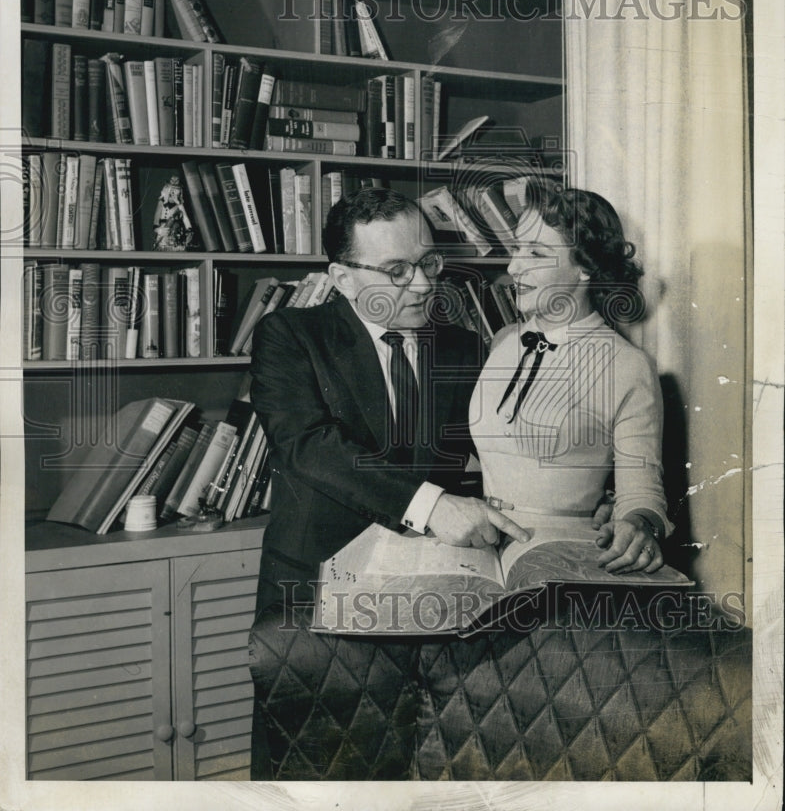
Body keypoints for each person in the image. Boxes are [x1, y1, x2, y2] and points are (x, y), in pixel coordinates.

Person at [247, 187, 529, 780]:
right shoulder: (289, 336)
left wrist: (599, 503)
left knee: (423, 761)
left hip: (430, 589)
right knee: (313, 769)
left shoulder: (462, 344)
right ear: (342, 278)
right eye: (397, 270)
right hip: (318, 586)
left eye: (428, 263)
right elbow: (308, 447)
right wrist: (431, 504)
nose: (424, 285)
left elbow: (505, 447)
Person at [469, 178, 673, 574]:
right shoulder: (502, 341)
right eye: (515, 250)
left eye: (536, 253)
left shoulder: (628, 365)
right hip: (482, 546)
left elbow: (642, 488)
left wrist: (636, 522)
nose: (513, 267)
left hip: (561, 553)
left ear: (584, 269)